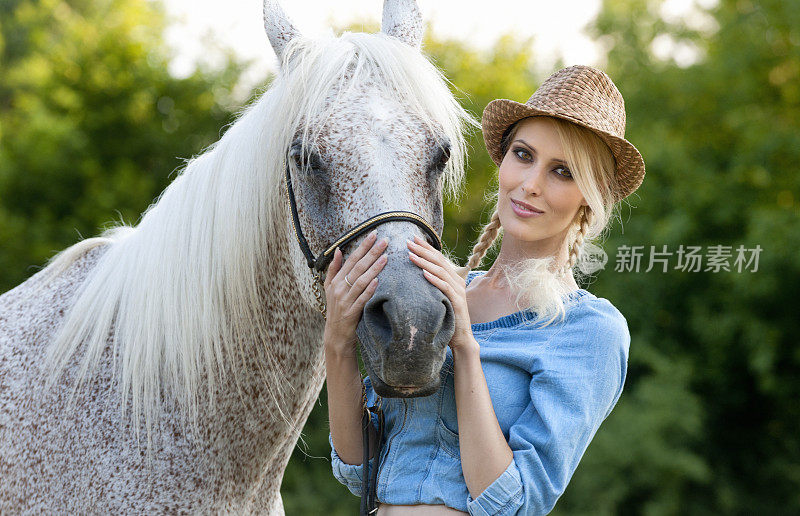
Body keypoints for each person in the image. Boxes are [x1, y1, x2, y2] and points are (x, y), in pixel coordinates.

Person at [324, 65, 646, 515]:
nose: (530, 185)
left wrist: (464, 346)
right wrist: (338, 343)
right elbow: (361, 466)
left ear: (592, 196)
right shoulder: (435, 296)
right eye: (523, 154)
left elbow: (511, 503)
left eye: (563, 172)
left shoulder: (589, 331)